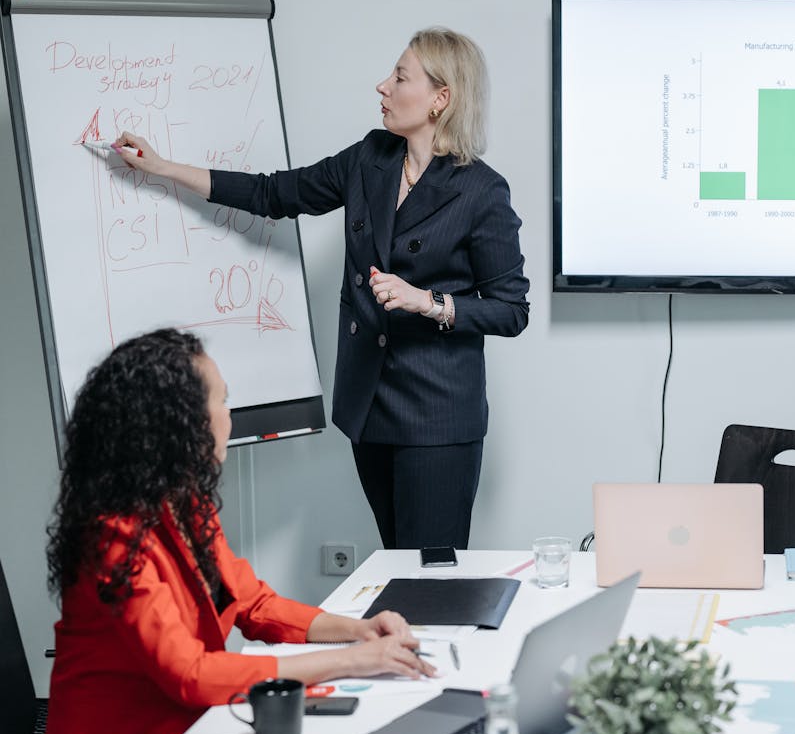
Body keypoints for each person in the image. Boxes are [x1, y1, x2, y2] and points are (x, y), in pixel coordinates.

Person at [113, 27, 530, 551]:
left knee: (433, 581)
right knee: (397, 565)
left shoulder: (481, 190)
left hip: (438, 418)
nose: (382, 86)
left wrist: (428, 302)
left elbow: (511, 309)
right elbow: (273, 193)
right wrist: (161, 167)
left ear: (440, 99)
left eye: (399, 77)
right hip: (371, 407)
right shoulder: (372, 158)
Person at [43, 329, 434, 734]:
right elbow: (189, 675)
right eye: (223, 402)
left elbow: (253, 603)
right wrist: (352, 661)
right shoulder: (113, 534)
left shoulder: (184, 505)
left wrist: (359, 630)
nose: (230, 416)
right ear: (178, 424)